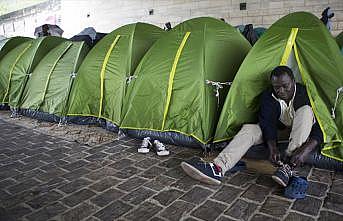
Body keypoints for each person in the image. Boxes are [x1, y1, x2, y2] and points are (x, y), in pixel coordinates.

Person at [181, 66, 323, 186]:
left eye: (285, 86)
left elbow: (322, 126)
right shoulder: (268, 95)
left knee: (305, 111)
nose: (281, 91)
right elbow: (266, 123)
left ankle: (288, 167)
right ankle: (218, 167)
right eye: (276, 87)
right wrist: (272, 147)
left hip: (302, 132)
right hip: (280, 131)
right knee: (250, 129)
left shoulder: (305, 93)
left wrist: (307, 149)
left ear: (293, 81)